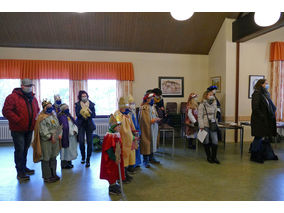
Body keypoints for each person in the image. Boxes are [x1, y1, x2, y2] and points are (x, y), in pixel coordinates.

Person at [2, 78, 40, 181]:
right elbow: (6, 111)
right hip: (18, 129)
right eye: (28, 86)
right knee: (19, 150)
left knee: (25, 149)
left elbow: (37, 109)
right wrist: (18, 120)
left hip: (29, 128)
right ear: (22, 86)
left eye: (31, 86)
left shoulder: (33, 98)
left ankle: (24, 167)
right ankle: (20, 172)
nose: (30, 88)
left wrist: (35, 120)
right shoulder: (12, 97)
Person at [32, 99, 62, 183]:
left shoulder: (53, 115)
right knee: (46, 158)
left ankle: (53, 174)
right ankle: (47, 176)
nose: (49, 108)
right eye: (47, 107)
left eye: (50, 106)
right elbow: (42, 131)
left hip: (55, 140)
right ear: (44, 108)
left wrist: (59, 134)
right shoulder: (41, 118)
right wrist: (50, 137)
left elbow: (58, 126)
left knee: (53, 156)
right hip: (46, 141)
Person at [250, 79, 278, 163]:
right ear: (261, 84)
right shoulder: (256, 94)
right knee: (258, 137)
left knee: (261, 137)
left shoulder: (265, 95)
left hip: (265, 121)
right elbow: (255, 108)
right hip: (259, 120)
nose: (267, 85)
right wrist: (262, 117)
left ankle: (261, 154)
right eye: (266, 83)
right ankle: (254, 155)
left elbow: (270, 107)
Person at [100, 114, 125, 195]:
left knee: (115, 172)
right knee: (111, 173)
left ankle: (114, 184)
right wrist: (114, 158)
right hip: (111, 159)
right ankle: (111, 188)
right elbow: (109, 149)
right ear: (113, 127)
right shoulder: (109, 136)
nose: (119, 128)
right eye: (118, 126)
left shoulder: (116, 134)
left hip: (116, 158)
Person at [114, 97, 137, 183]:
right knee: (122, 158)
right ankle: (121, 177)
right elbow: (118, 127)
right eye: (125, 107)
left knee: (128, 158)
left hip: (129, 140)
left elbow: (131, 125)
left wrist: (134, 134)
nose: (127, 108)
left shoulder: (128, 114)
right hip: (122, 141)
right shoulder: (117, 114)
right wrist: (124, 117)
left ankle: (126, 173)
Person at [139, 93, 161, 168]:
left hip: (153, 127)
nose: (152, 99)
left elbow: (155, 115)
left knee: (153, 142)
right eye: (151, 98)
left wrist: (157, 119)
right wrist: (153, 120)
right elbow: (145, 120)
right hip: (147, 129)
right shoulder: (144, 107)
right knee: (146, 143)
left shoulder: (152, 107)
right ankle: (146, 161)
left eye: (153, 98)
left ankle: (152, 158)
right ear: (146, 99)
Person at [198, 90, 220, 164]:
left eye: (212, 94)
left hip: (213, 124)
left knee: (215, 141)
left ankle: (214, 157)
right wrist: (201, 125)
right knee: (206, 141)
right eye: (210, 94)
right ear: (206, 95)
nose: (211, 96)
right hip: (205, 124)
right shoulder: (202, 104)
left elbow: (216, 114)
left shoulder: (214, 103)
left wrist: (216, 122)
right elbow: (199, 116)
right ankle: (209, 157)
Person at [75, 90, 96, 168]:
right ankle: (83, 157)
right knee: (81, 141)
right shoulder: (77, 104)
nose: (84, 97)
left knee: (90, 142)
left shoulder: (91, 104)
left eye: (85, 96)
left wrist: (89, 113)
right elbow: (77, 114)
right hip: (81, 125)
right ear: (80, 97)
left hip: (89, 125)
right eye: (83, 96)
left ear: (87, 96)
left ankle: (88, 159)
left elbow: (94, 115)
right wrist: (82, 113)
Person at [57, 104, 78, 169]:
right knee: (64, 151)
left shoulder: (69, 115)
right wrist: (70, 132)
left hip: (72, 136)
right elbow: (63, 127)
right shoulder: (61, 117)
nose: (67, 109)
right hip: (65, 136)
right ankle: (64, 164)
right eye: (66, 108)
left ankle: (69, 162)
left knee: (70, 150)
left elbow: (74, 124)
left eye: (68, 107)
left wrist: (75, 130)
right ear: (63, 109)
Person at [128, 95, 141, 171]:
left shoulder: (134, 112)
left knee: (137, 147)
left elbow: (137, 122)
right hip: (131, 133)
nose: (132, 105)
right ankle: (132, 164)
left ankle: (137, 162)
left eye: (133, 103)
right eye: (131, 103)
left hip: (136, 132)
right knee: (132, 149)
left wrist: (138, 131)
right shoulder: (127, 114)